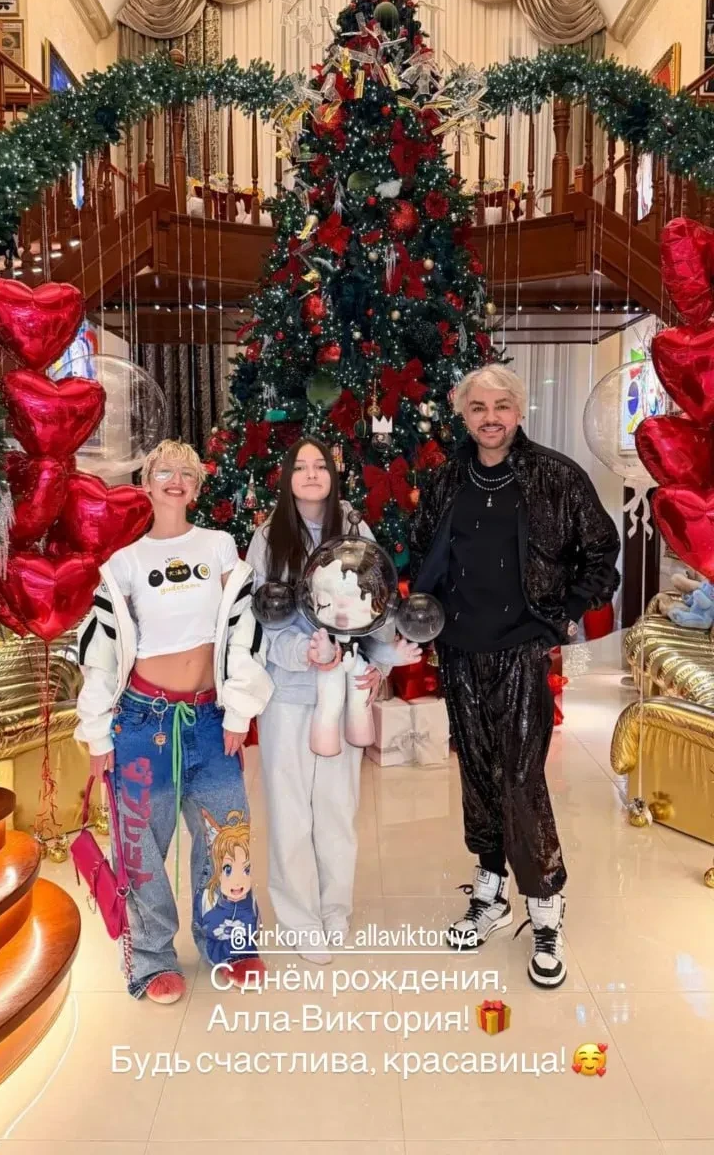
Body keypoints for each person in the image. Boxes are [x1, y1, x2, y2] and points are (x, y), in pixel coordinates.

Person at [410, 368, 620, 989]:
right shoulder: (446, 479)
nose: (491, 417)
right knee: (478, 773)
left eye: (502, 405)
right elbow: (423, 553)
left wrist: (562, 615)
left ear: (520, 410)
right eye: (478, 407)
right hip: (459, 649)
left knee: (521, 778)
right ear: (464, 414)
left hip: (523, 650)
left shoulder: (556, 476)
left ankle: (545, 904)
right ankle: (491, 888)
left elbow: (601, 554)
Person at [75, 440, 273, 1003]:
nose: (175, 479)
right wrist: (97, 732)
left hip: (210, 719)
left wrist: (239, 710)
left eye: (187, 472)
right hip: (142, 722)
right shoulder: (124, 562)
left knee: (226, 832)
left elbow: (242, 631)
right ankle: (152, 957)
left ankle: (230, 941)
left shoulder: (218, 546)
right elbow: (102, 651)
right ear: (147, 484)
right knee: (140, 845)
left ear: (197, 486)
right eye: (164, 471)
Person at [246, 437, 420, 964]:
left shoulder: (355, 529)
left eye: (319, 465)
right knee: (291, 812)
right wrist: (303, 653)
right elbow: (260, 619)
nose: (311, 474)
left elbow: (375, 607)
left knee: (338, 809)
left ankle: (334, 909)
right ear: (287, 477)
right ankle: (300, 918)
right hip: (288, 695)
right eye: (300, 466)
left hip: (342, 694)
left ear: (332, 473)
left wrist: (387, 658)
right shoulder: (268, 538)